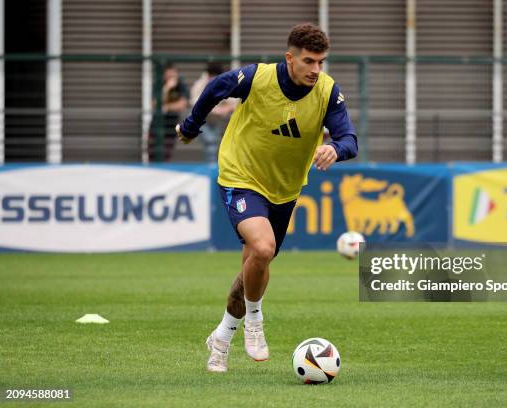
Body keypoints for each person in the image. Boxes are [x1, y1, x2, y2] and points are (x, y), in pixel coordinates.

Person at [176, 23, 358, 372]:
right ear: (290, 59)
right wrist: (190, 126)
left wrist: (336, 149)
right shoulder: (256, 78)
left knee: (254, 267)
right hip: (240, 176)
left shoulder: (327, 91)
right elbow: (216, 88)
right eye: (308, 61)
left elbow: (349, 138)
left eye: (321, 62)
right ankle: (255, 320)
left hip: (284, 189)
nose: (316, 69)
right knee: (262, 248)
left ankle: (221, 339)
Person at [189, 62, 237, 162]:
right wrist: (219, 110)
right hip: (202, 121)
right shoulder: (199, 85)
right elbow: (197, 106)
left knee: (219, 146)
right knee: (211, 143)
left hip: (218, 121)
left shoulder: (225, 83)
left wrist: (223, 109)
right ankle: (211, 171)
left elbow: (233, 104)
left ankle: (215, 171)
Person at [148, 62, 189, 162]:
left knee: (166, 153)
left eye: (173, 74)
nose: (171, 76)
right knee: (151, 152)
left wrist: (166, 107)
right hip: (156, 124)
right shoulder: (159, 85)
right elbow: (154, 103)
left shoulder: (181, 86)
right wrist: (166, 89)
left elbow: (182, 105)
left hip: (171, 125)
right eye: (168, 74)